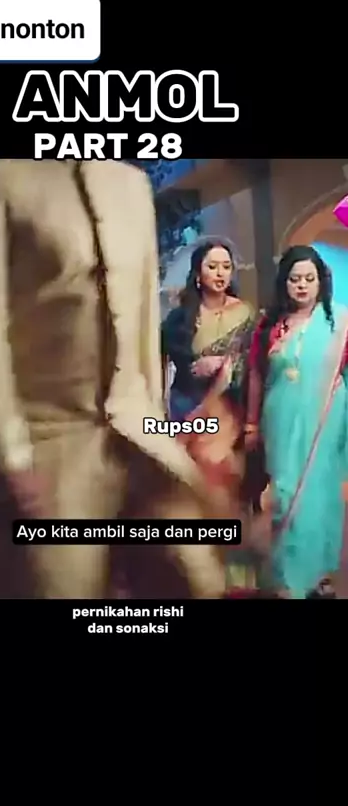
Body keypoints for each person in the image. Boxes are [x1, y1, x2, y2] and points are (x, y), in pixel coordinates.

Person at [0, 159, 227, 599]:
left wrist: (159, 431)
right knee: (57, 589)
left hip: (138, 441)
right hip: (46, 443)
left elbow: (142, 323)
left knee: (197, 577)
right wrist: (5, 459)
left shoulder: (132, 186)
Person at [246, 245, 348, 599]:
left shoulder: (340, 322)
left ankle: (317, 572)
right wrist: (250, 424)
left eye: (309, 278)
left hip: (326, 422)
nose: (302, 285)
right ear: (284, 283)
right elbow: (256, 375)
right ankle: (286, 574)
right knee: (284, 493)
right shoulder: (269, 325)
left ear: (321, 282)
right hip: (279, 422)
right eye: (295, 279)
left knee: (319, 496)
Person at [161, 241, 258, 594]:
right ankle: (197, 574)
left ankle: (236, 576)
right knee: (192, 490)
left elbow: (252, 366)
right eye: (212, 266)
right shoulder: (180, 317)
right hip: (188, 409)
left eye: (226, 266)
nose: (220, 273)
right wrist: (195, 366)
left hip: (229, 410)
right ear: (198, 273)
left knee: (229, 486)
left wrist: (226, 368)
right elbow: (167, 360)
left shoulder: (245, 315)